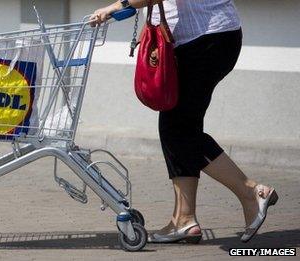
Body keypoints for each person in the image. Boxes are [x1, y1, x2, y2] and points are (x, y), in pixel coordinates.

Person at [90, 0, 278, 243]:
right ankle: (185, 219)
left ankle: (251, 192)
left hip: (206, 40)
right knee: (178, 127)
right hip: (209, 38)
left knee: (179, 130)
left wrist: (116, 7)